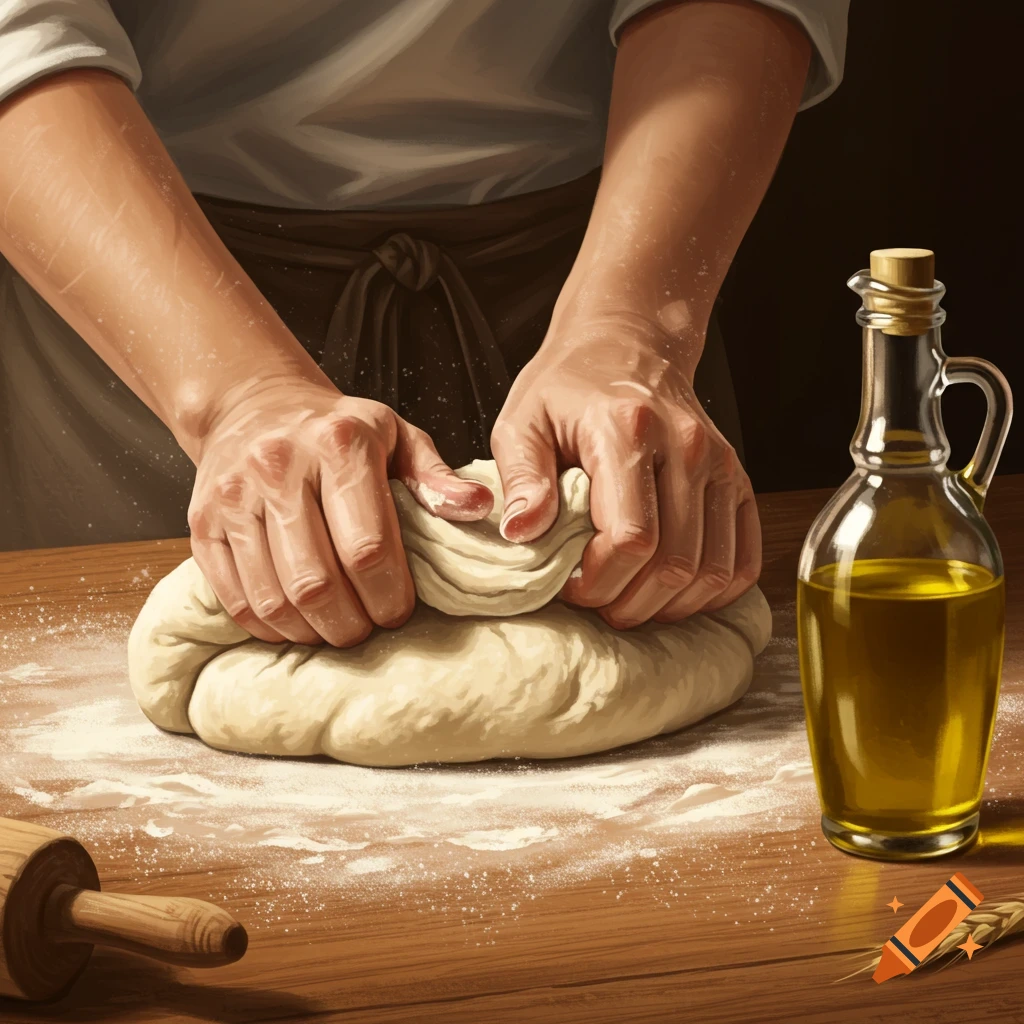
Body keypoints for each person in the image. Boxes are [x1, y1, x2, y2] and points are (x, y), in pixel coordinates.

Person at [0, 0, 848, 646]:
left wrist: (632, 328)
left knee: (650, 594)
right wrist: (237, 399)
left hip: (611, 251)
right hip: (142, 286)